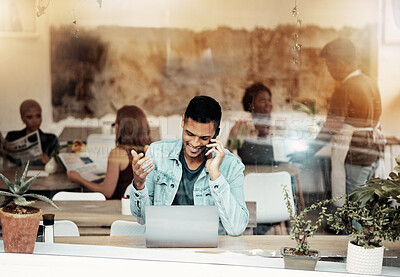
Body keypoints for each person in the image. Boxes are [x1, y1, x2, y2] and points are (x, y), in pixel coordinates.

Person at [129, 96, 249, 236]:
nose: (195, 143)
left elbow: (237, 228)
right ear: (183, 121)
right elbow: (141, 218)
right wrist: (138, 184)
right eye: (189, 134)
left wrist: (215, 175)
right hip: (163, 248)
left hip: (209, 254)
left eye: (204, 138)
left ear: (216, 132)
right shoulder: (157, 153)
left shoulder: (231, 166)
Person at [290, 38, 384, 204]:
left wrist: (306, 153)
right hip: (373, 155)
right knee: (362, 207)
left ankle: (349, 231)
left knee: (351, 209)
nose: (329, 70)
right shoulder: (370, 83)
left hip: (355, 157)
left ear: (340, 63)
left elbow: (330, 129)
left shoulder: (345, 89)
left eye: (329, 65)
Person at [67, 105, 152, 199]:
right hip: (142, 208)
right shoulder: (152, 150)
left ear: (122, 127)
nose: (115, 126)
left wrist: (79, 179)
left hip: (119, 209)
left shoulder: (117, 153)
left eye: (116, 123)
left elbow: (107, 192)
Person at [5, 99, 59, 165]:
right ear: (22, 118)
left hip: (42, 174)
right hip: (17, 174)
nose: (35, 121)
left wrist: (49, 161)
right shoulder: (12, 136)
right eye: (29, 117)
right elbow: (6, 162)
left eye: (38, 116)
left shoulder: (51, 139)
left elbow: (58, 165)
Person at [227, 83, 273, 151]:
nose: (268, 104)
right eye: (262, 100)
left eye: (269, 100)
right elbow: (228, 153)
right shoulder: (240, 128)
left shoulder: (276, 126)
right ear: (251, 105)